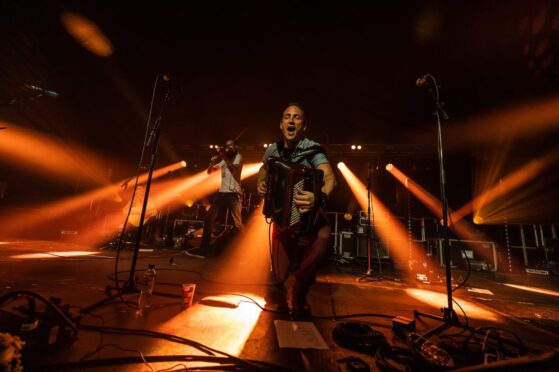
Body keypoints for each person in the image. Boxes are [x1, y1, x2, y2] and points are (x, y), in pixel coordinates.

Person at [257, 103, 336, 318]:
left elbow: (330, 177)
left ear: (304, 125)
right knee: (278, 279)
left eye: (297, 117)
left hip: (308, 215)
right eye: (287, 117)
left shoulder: (312, 148)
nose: (291, 120)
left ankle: (300, 289)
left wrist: (319, 197)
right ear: (281, 124)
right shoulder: (272, 149)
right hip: (283, 219)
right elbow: (262, 172)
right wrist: (261, 183)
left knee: (324, 234)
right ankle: (281, 276)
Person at [188, 139, 244, 257]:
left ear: (236, 148)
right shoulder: (224, 161)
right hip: (222, 194)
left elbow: (233, 169)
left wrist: (223, 156)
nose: (227, 148)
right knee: (208, 219)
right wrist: (211, 163)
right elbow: (210, 172)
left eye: (230, 146)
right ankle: (204, 250)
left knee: (237, 224)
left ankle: (244, 251)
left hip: (233, 194)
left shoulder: (238, 157)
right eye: (226, 146)